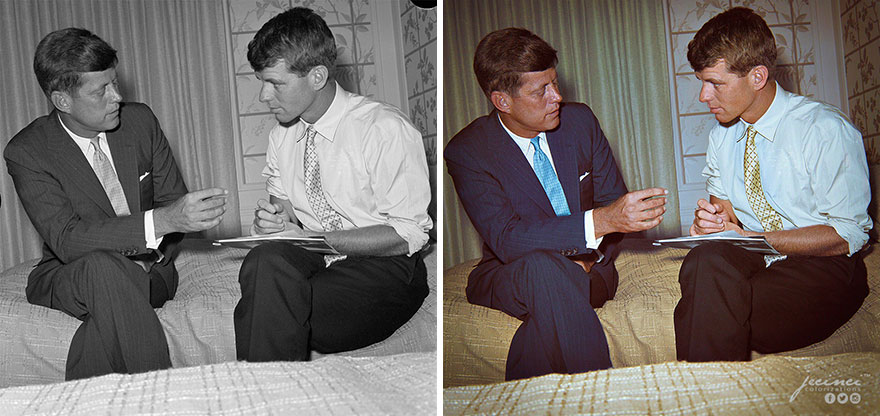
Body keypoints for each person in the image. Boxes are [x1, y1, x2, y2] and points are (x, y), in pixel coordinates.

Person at [4, 28, 227, 380]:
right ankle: (163, 391)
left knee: (105, 313)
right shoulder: (28, 151)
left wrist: (157, 245)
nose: (118, 96)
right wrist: (162, 222)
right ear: (62, 100)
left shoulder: (139, 123)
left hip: (151, 272)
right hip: (69, 274)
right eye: (101, 91)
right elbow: (68, 239)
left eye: (115, 82)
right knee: (103, 268)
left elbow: (173, 201)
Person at [445, 28, 667, 381]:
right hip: (509, 273)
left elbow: (614, 202)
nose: (558, 97)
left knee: (548, 292)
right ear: (502, 101)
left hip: (592, 271)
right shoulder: (467, 151)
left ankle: (523, 401)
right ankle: (603, 391)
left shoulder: (579, 123)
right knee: (543, 268)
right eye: (541, 91)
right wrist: (599, 222)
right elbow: (507, 238)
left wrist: (592, 252)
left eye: (555, 83)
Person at [234, 7, 432, 362]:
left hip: (384, 267)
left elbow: (409, 234)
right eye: (262, 82)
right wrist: (274, 221)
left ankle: (262, 394)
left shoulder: (384, 128)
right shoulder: (282, 136)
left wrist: (317, 240)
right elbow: (284, 210)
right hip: (318, 258)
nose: (264, 96)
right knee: (264, 259)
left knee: (275, 309)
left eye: (275, 83)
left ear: (317, 76)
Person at [675, 7, 872, 362]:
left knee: (722, 308)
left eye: (715, 83)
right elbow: (726, 214)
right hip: (758, 257)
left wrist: (759, 240)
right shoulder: (722, 136)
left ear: (757, 76)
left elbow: (849, 234)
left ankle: (706, 391)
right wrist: (714, 224)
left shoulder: (824, 129)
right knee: (704, 260)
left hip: (823, 265)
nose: (703, 96)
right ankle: (706, 390)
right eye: (702, 82)